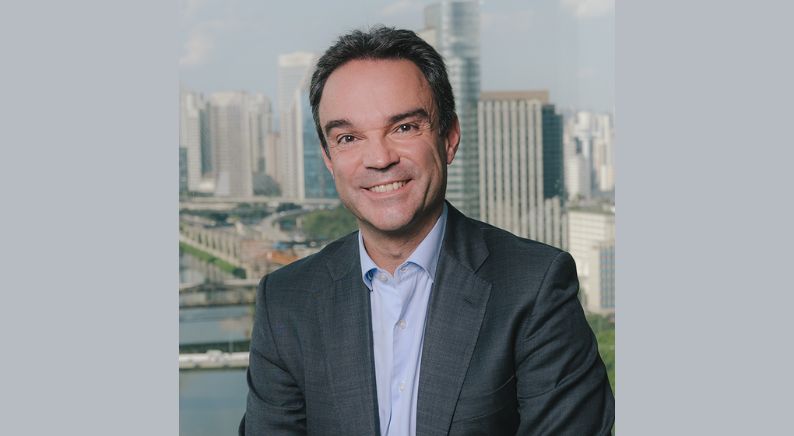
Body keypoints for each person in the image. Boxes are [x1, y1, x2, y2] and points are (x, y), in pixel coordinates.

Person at [241, 27, 614, 435]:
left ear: (449, 137)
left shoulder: (534, 287)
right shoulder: (287, 301)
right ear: (329, 159)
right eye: (348, 137)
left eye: (403, 128)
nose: (379, 158)